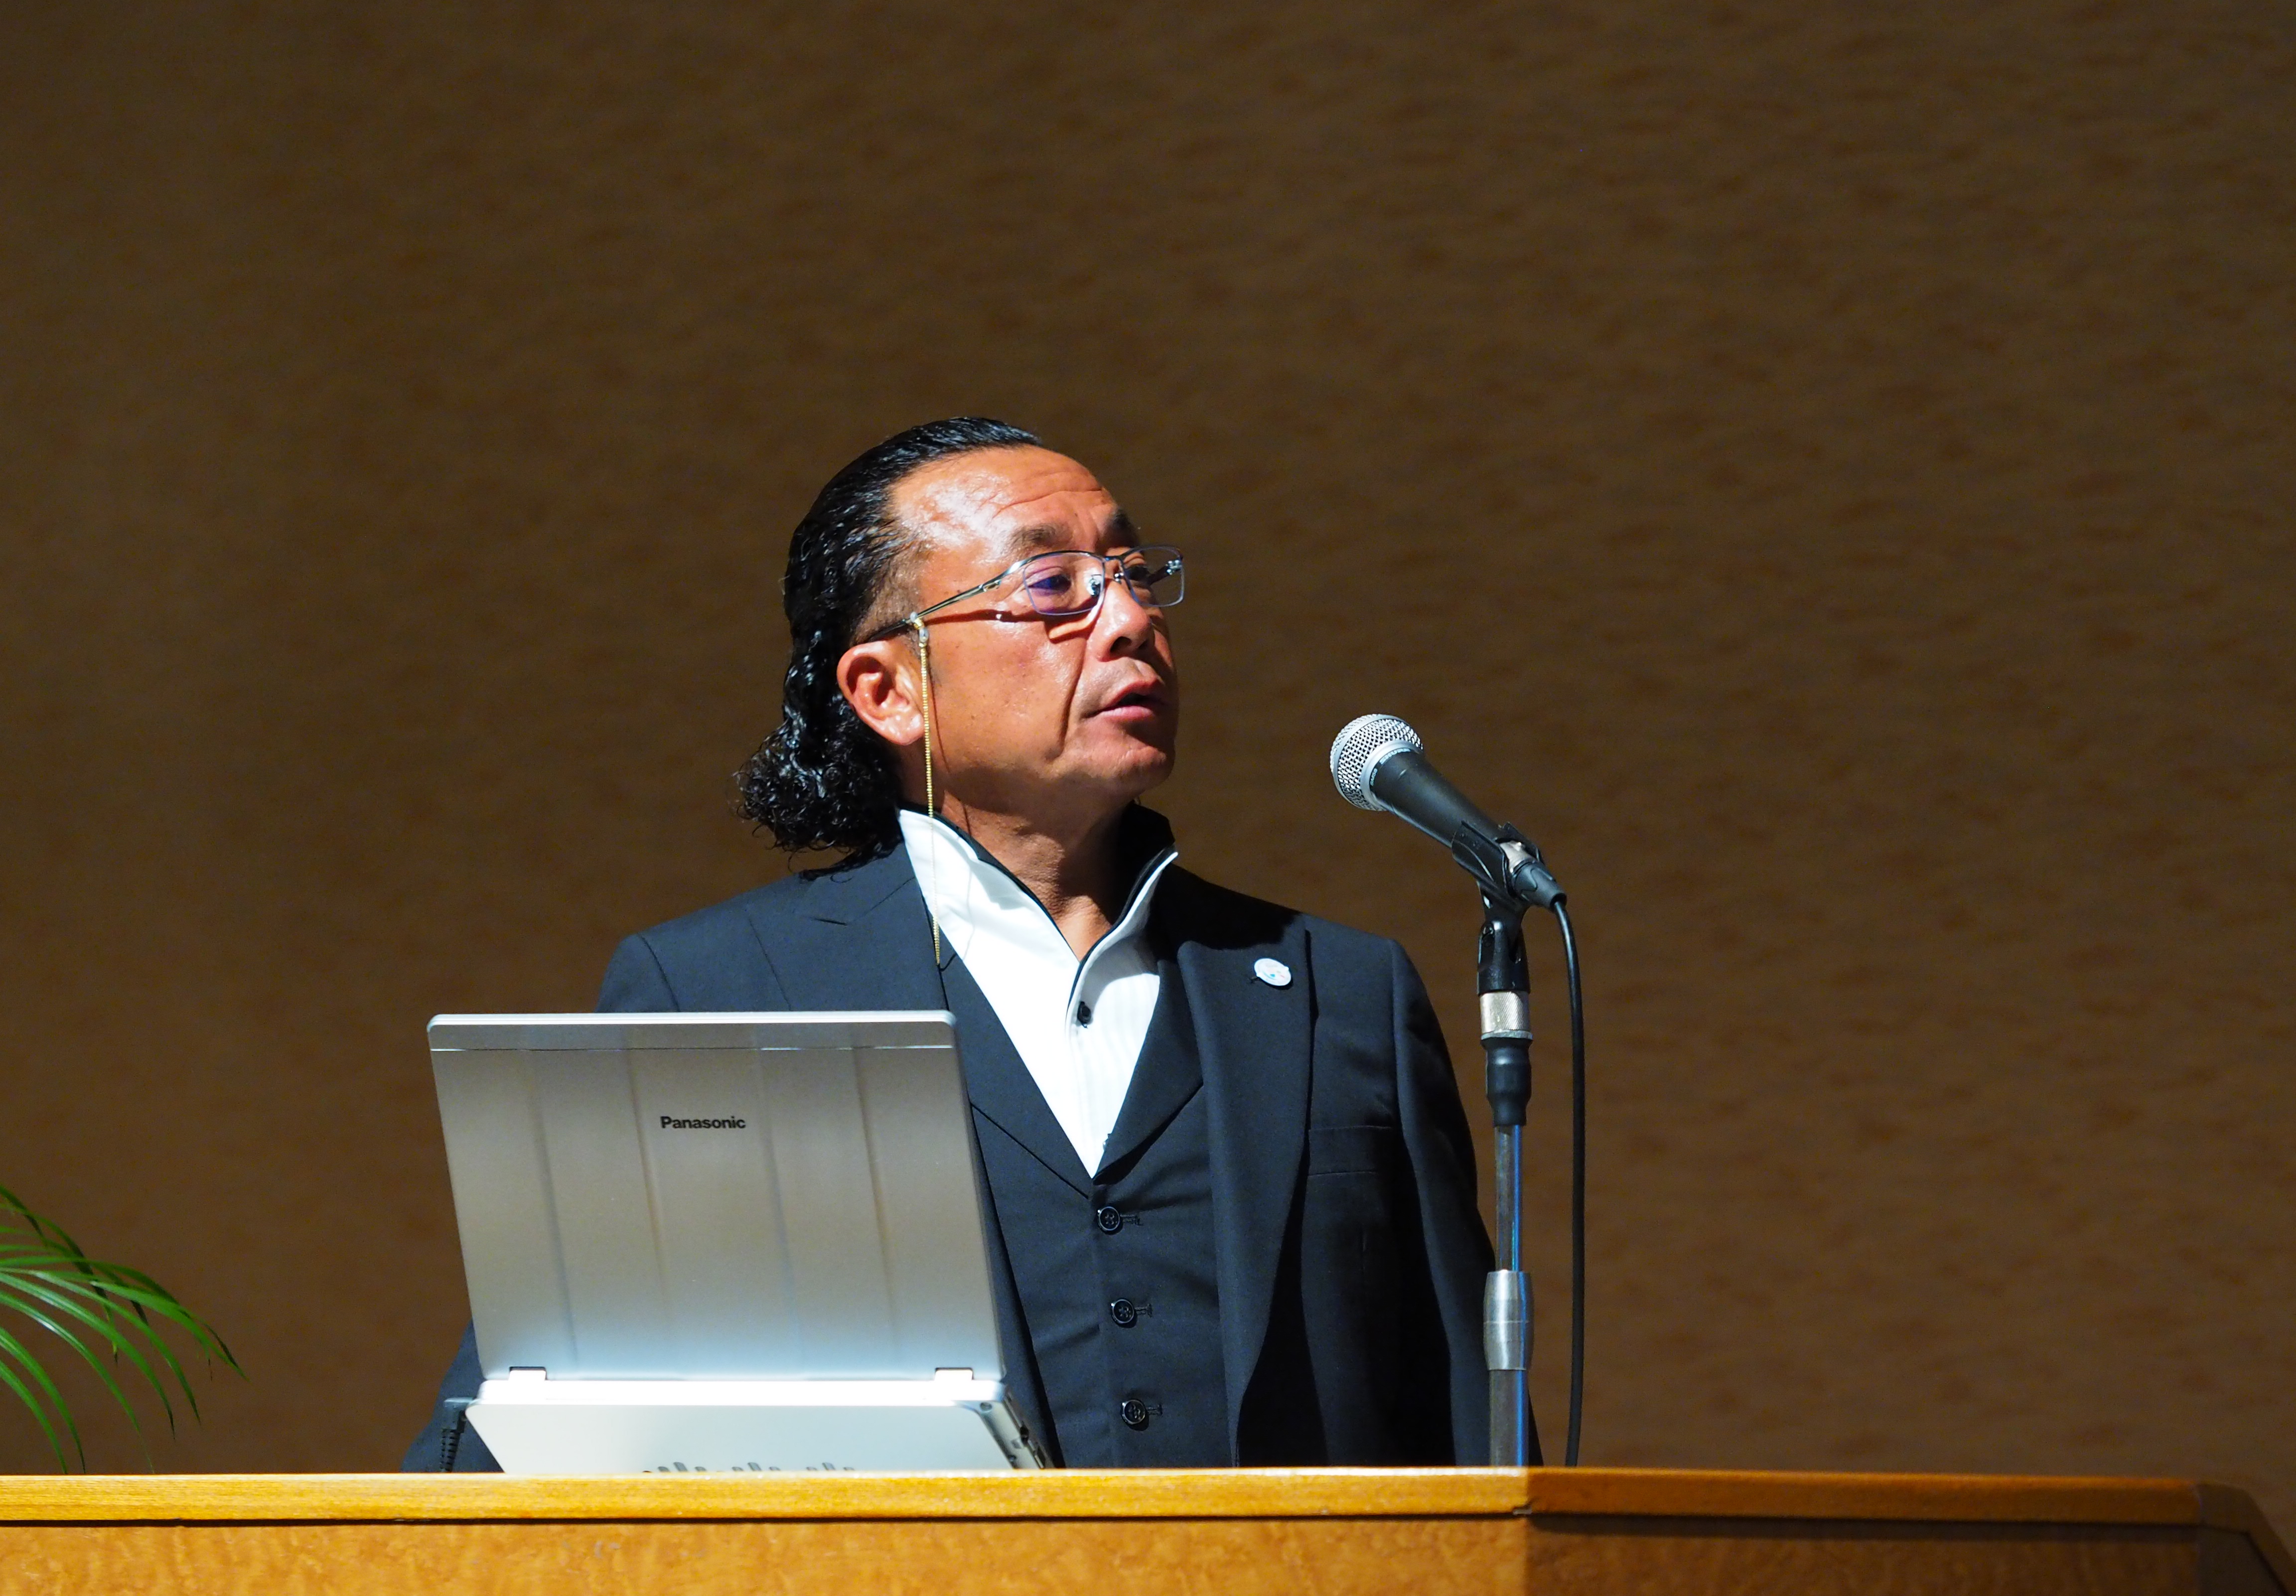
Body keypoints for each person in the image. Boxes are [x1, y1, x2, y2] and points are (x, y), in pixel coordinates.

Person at [407, 416, 1521, 1469]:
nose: (1129, 621)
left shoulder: (1340, 992)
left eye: (1135, 574)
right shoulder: (720, 990)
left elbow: (1461, 1421)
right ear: (889, 690)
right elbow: (532, 1424)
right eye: (1051, 587)